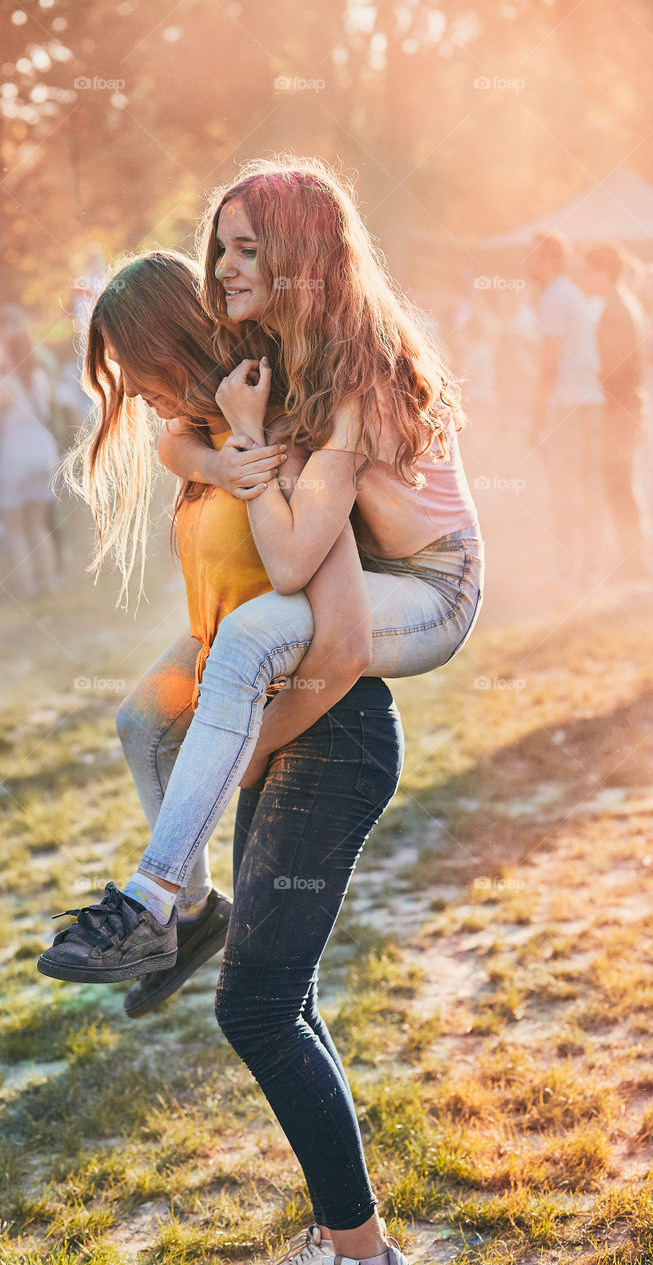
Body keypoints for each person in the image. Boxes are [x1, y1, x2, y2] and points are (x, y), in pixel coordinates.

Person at [39, 159, 482, 983]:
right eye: (219, 250)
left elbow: (288, 563)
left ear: (300, 257)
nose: (222, 269)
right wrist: (218, 455)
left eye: (245, 250)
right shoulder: (269, 351)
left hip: (431, 587)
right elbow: (180, 425)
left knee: (244, 638)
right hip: (350, 568)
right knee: (144, 721)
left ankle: (149, 899)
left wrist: (246, 444)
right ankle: (196, 918)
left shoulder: (350, 378)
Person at [525, 232, 605, 576]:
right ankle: (587, 567)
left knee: (565, 487)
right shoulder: (568, 293)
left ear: (549, 261)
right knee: (586, 486)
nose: (525, 262)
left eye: (532, 255)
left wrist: (536, 420)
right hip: (589, 404)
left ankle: (568, 572)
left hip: (569, 407)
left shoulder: (555, 297)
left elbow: (549, 365)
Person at [582, 241, 650, 565]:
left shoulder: (615, 309)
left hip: (619, 411)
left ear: (602, 273)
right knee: (623, 483)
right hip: (628, 407)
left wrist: (592, 378)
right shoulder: (627, 303)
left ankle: (634, 561)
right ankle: (633, 558)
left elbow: (615, 366)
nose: (585, 278)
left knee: (619, 484)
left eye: (589, 272)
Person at [0, 329, 60, 599]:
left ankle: (28, 587)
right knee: (38, 524)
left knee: (16, 528)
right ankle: (50, 582)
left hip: (16, 458)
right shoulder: (41, 378)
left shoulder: (4, 383)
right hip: (44, 453)